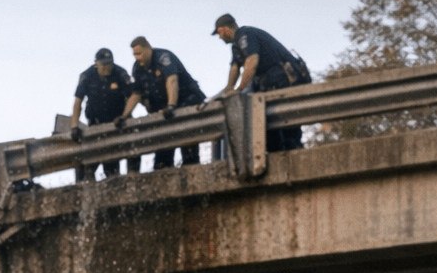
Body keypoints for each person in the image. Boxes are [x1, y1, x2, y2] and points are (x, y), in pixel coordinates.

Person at [210, 14, 310, 151]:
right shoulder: (236, 45)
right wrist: (228, 89)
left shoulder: (245, 34)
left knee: (286, 128)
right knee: (270, 132)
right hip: (270, 84)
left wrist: (239, 90)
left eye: (219, 34)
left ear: (223, 30)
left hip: (281, 81)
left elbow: (252, 61)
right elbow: (235, 67)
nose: (220, 38)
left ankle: (294, 151)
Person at [122, 36, 205, 170]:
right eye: (134, 54)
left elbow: (172, 80)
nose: (137, 57)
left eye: (139, 53)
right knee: (163, 151)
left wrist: (171, 105)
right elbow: (136, 94)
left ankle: (191, 168)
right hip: (164, 109)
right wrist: (125, 115)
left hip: (186, 101)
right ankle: (163, 169)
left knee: (188, 144)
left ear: (148, 49)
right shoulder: (137, 68)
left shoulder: (163, 57)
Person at [71, 47, 134, 180]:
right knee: (88, 165)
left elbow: (132, 97)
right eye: (103, 65)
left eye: (109, 64)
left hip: (115, 125)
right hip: (95, 125)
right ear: (96, 63)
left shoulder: (120, 73)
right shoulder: (87, 75)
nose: (107, 68)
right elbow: (78, 102)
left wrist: (125, 116)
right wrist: (74, 125)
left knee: (111, 168)